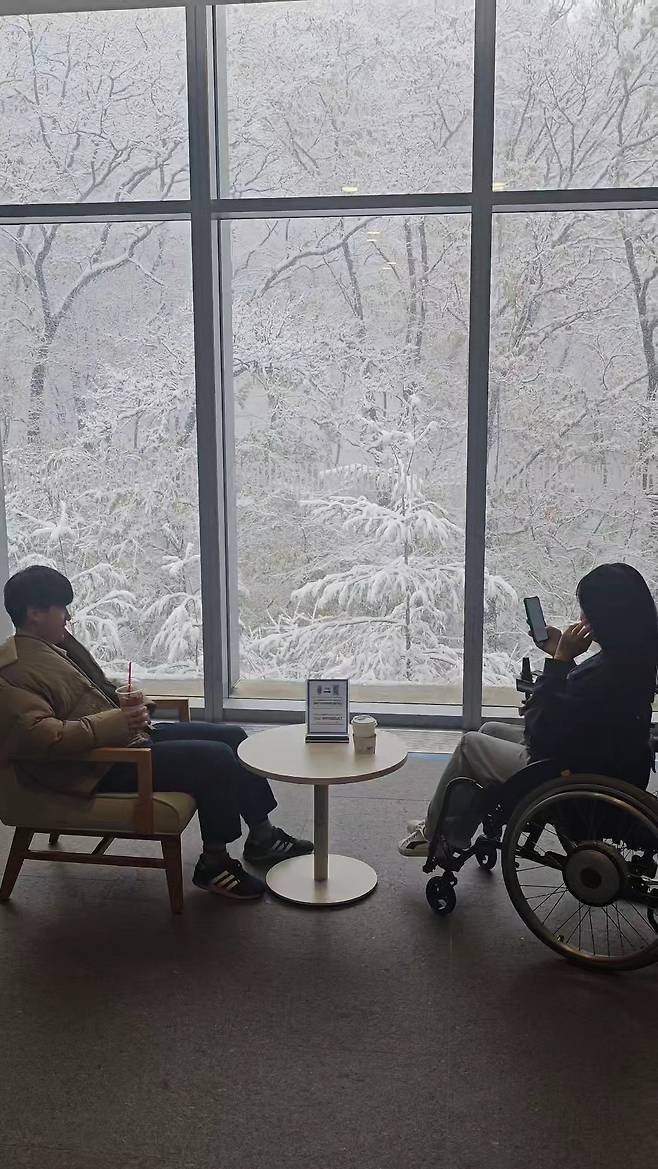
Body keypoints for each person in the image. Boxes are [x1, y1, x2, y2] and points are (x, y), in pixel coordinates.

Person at [0, 565, 313, 900]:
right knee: (215, 759)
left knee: (232, 736)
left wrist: (131, 699)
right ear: (34, 613)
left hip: (123, 741)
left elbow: (92, 689)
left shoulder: (55, 646)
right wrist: (119, 721)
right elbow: (42, 738)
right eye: (61, 608)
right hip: (94, 766)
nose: (68, 616)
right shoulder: (13, 671)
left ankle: (262, 837)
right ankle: (214, 862)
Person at [399, 563, 658, 858]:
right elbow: (585, 706)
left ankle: (435, 837)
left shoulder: (608, 671)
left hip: (566, 772)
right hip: (599, 760)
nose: (581, 617)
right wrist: (558, 653)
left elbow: (542, 730)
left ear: (606, 616)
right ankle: (452, 830)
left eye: (586, 610)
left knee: (470, 745)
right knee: (489, 730)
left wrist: (559, 661)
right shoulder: (631, 659)